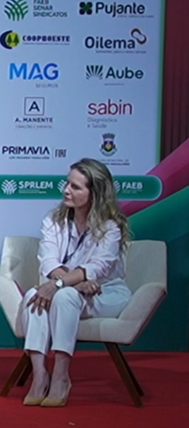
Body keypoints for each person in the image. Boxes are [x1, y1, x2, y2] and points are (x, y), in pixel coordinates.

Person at [19, 158, 131, 407]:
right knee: (32, 296)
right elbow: (48, 261)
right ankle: (39, 375)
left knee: (64, 296)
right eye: (68, 183)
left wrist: (63, 285)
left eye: (76, 187)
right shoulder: (53, 220)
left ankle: (61, 376)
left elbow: (97, 268)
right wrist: (72, 283)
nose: (66, 190)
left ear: (95, 194)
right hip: (74, 290)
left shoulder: (110, 227)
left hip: (106, 294)